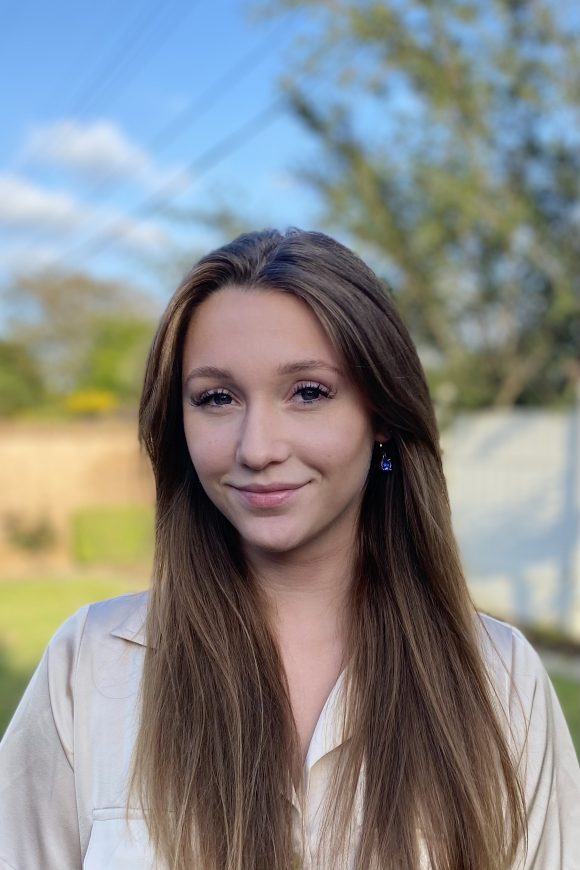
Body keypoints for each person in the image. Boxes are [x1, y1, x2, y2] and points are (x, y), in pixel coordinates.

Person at [0, 229, 579, 870]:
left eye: (308, 392)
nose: (257, 448)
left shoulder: (501, 680)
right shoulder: (89, 667)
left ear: (382, 414)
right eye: (217, 398)